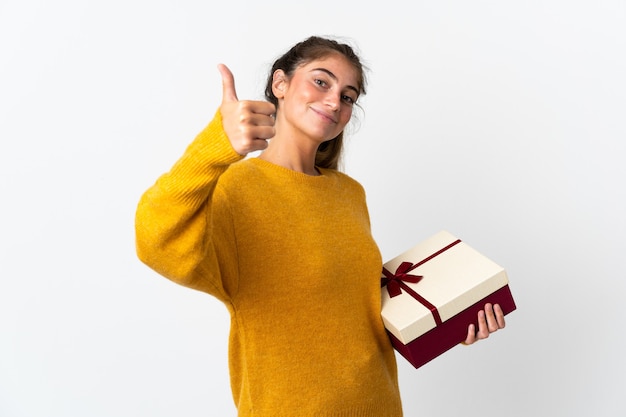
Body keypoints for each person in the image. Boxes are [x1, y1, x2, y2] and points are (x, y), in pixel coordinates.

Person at [135, 35, 505, 417]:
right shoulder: (235, 188)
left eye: (348, 96)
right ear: (280, 84)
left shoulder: (348, 193)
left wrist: (448, 323)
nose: (334, 101)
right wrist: (216, 146)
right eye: (321, 81)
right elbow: (155, 240)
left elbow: (354, 313)